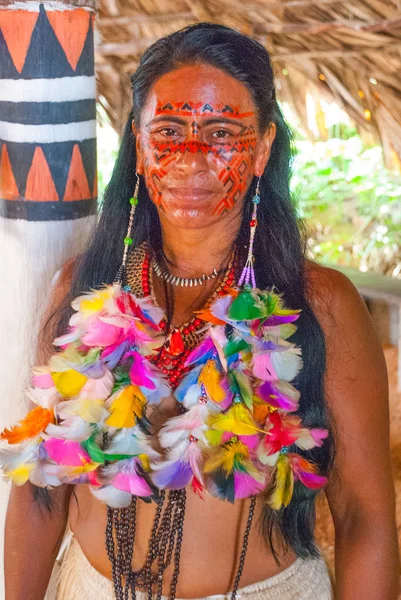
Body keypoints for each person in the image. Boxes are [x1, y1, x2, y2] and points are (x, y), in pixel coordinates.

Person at [2, 23, 399, 600]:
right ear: (139, 146)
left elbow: (364, 516)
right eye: (168, 131)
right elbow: (41, 491)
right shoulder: (86, 287)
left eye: (220, 133)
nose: (191, 159)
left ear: (262, 148)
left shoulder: (319, 306)